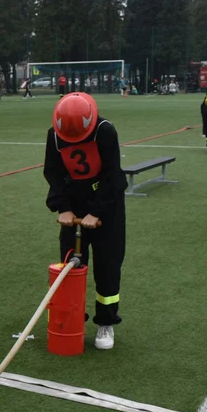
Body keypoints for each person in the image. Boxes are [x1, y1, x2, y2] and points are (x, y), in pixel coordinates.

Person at [44, 93, 127, 350]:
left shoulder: (104, 131)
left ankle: (106, 322)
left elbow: (112, 176)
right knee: (71, 264)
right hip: (75, 202)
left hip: (107, 204)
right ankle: (72, 319)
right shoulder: (55, 135)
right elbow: (53, 172)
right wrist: (64, 208)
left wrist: (97, 212)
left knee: (108, 266)